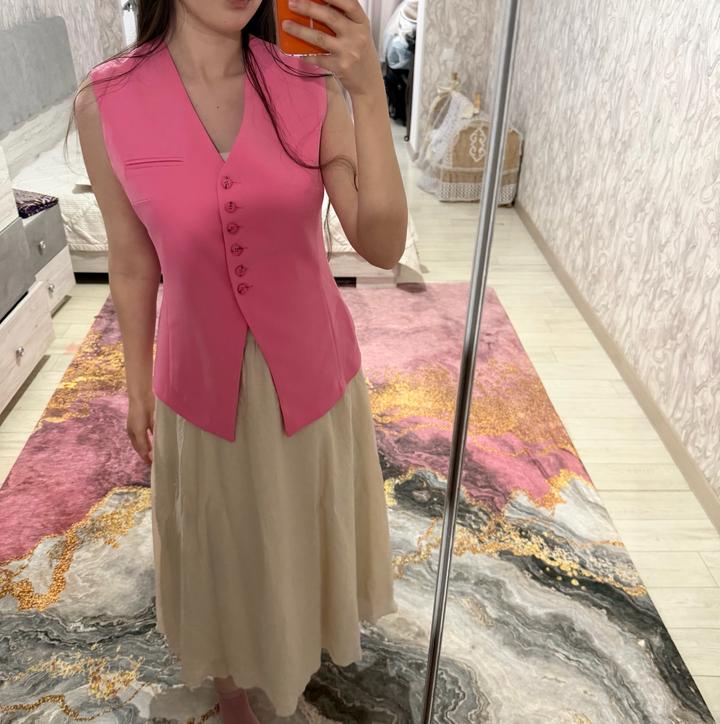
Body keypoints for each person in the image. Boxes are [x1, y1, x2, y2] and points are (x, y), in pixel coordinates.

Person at [73, 0, 408, 721]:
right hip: (198, 378)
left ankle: (297, 656)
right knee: (218, 542)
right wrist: (137, 382)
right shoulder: (107, 103)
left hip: (311, 372)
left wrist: (367, 91)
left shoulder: (306, 83)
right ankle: (231, 686)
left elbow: (382, 245)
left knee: (299, 532)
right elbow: (131, 262)